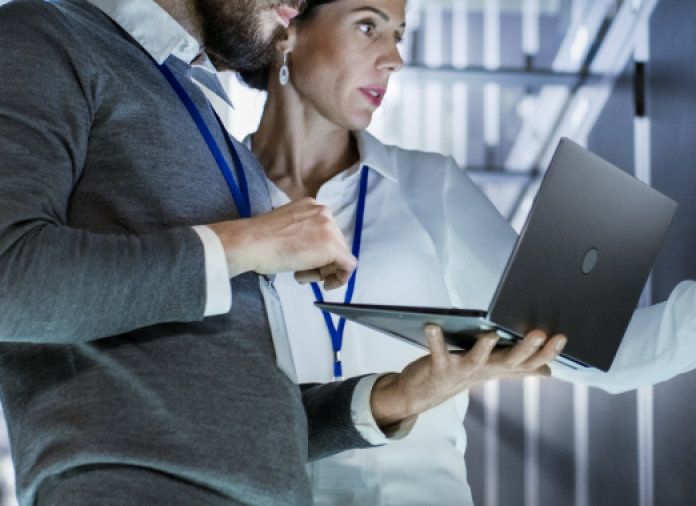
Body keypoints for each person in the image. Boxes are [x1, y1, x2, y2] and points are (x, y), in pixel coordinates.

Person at [236, 0, 696, 504]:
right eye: (368, 26)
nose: (395, 59)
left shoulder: (426, 187)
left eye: (400, 37)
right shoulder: (211, 202)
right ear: (289, 23)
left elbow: (595, 359)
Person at [0, 0, 568, 504]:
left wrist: (399, 394)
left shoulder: (207, 120)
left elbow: (236, 415)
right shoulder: (44, 34)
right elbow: (9, 282)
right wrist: (250, 241)